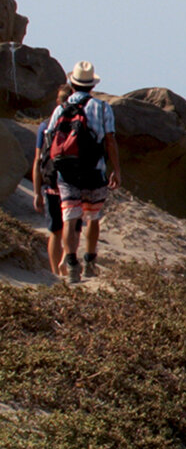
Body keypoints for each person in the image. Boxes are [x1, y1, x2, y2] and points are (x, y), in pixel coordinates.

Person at [41, 61, 121, 283]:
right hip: (94, 170)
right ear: (92, 86)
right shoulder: (103, 108)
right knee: (93, 217)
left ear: (72, 84)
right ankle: (89, 261)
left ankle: (71, 263)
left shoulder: (60, 109)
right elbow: (110, 140)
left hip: (66, 172)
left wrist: (48, 175)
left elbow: (50, 143)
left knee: (70, 217)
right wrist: (116, 170)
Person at [31, 84, 72, 278]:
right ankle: (66, 265)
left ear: (57, 101)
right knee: (71, 228)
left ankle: (55, 272)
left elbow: (38, 160)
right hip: (71, 183)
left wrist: (37, 192)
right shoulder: (77, 123)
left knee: (55, 231)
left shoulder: (45, 126)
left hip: (50, 183)